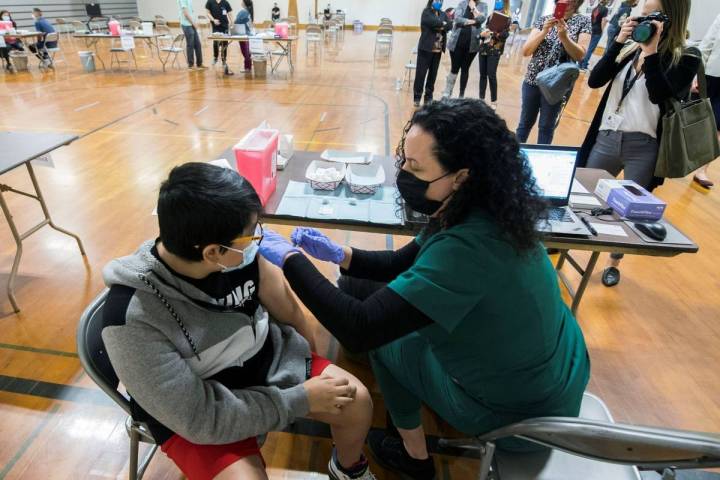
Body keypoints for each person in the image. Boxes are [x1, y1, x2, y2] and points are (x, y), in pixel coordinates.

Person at [259, 99, 591, 480]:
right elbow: (403, 260)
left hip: (519, 420)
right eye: (403, 159)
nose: (402, 172)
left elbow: (359, 327)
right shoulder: (482, 209)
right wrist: (339, 253)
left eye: (415, 167)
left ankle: (413, 456)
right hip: (556, 379)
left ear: (462, 176)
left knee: (384, 342)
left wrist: (290, 259)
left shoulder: (467, 249)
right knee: (380, 300)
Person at [101, 163, 376, 480]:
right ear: (213, 253)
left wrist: (310, 366)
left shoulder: (236, 254)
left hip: (264, 362)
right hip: (199, 404)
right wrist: (300, 399)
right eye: (249, 236)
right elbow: (201, 419)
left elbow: (290, 312)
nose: (256, 241)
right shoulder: (130, 319)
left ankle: (347, 469)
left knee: (358, 401)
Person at [578, 0, 699, 287]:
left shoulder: (686, 56)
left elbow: (661, 95)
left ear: (672, 18)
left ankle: (612, 261)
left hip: (644, 145)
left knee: (629, 211)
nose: (644, 21)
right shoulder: (629, 48)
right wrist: (618, 42)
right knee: (582, 197)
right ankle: (567, 244)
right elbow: (595, 81)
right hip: (607, 137)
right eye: (642, 15)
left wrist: (652, 53)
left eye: (653, 16)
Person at [516, 0, 591, 144]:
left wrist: (564, 37)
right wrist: (544, 31)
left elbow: (580, 55)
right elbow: (526, 51)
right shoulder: (544, 20)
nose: (566, 2)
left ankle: (543, 161)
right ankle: (514, 159)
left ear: (576, 2)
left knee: (546, 127)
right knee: (524, 124)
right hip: (533, 80)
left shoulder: (583, 22)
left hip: (558, 85)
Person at [695, 13, 720, 188]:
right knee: (692, 117)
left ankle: (702, 169)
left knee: (719, 127)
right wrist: (697, 73)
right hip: (712, 74)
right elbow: (708, 42)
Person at [441, 0, 484, 99]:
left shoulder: (483, 5)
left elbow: (482, 18)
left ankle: (461, 95)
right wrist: (473, 21)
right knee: (454, 68)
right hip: (457, 43)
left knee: (465, 69)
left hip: (472, 45)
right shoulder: (462, 3)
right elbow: (457, 18)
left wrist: (474, 8)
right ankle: (448, 92)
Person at [414, 0, 452, 107]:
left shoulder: (443, 14)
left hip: (437, 49)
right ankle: (417, 97)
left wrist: (443, 25)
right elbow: (434, 23)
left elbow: (450, 25)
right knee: (421, 74)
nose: (439, 2)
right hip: (426, 48)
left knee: (433, 75)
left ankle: (428, 97)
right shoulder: (426, 12)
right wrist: (442, 24)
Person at [478, 0, 512, 109]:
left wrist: (494, 33)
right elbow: (486, 29)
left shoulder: (507, 18)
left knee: (491, 75)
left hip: (495, 49)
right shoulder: (491, 15)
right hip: (484, 47)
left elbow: (505, 35)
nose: (498, 2)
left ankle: (494, 101)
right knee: (482, 74)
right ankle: (481, 99)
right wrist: (483, 34)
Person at [579, 0, 610, 70]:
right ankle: (583, 65)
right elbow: (603, 21)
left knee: (587, 48)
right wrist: (602, 31)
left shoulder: (595, 8)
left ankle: (581, 63)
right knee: (590, 49)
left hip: (591, 29)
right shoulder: (605, 9)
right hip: (597, 31)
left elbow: (592, 19)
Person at [205, 0, 233, 75]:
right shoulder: (210, 2)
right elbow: (207, 13)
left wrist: (232, 22)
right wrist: (213, 20)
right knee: (215, 42)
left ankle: (224, 60)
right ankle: (215, 57)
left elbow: (230, 13)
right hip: (215, 26)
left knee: (225, 43)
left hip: (224, 26)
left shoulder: (225, 2)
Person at [178, 0, 207, 71]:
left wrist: (194, 22)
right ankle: (190, 65)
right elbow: (185, 13)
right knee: (190, 44)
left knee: (198, 44)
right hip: (186, 24)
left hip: (191, 24)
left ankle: (199, 64)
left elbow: (191, 12)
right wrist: (193, 23)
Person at [234, 0, 255, 73]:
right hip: (247, 34)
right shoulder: (248, 12)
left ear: (244, 3)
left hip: (243, 34)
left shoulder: (243, 12)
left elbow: (236, 22)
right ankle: (248, 67)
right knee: (247, 52)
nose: (241, 2)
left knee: (245, 51)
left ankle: (247, 68)